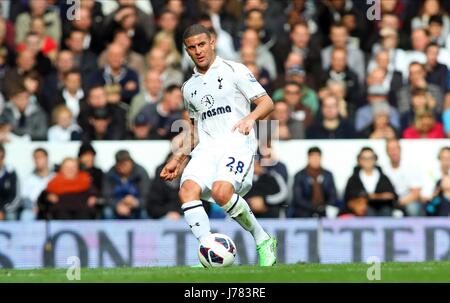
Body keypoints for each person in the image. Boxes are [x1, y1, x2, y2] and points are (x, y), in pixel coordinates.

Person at [160, 24, 277, 266]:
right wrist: (178, 159)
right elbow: (194, 130)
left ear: (212, 42)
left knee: (221, 192)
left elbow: (266, 103)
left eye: (202, 44)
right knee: (187, 190)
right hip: (207, 149)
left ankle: (262, 238)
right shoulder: (188, 88)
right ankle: (208, 251)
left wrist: (250, 118)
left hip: (237, 143)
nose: (198, 51)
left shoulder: (235, 70)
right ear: (187, 51)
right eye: (192, 48)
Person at [344, 147, 398, 217]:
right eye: (364, 158)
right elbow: (348, 198)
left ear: (375, 160)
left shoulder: (383, 178)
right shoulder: (353, 179)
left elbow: (391, 195)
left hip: (384, 209)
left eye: (370, 158)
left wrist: (374, 197)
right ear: (359, 160)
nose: (368, 161)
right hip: (362, 213)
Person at [291, 147, 338, 218]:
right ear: (308, 158)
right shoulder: (300, 175)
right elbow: (298, 198)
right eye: (313, 157)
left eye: (317, 157)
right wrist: (313, 208)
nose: (315, 160)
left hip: (324, 210)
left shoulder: (328, 175)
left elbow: (333, 195)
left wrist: (324, 207)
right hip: (305, 210)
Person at [103, 150, 151, 219]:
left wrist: (136, 202)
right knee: (107, 212)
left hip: (137, 206)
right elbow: (106, 196)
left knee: (144, 212)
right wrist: (117, 205)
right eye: (120, 165)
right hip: (117, 207)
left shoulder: (141, 173)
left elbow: (147, 196)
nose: (122, 168)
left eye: (125, 164)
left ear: (131, 162)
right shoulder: (110, 174)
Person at [384, 139, 424, 216]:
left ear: (400, 150)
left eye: (395, 148)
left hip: (408, 201)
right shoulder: (383, 169)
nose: (393, 152)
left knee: (413, 208)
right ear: (386, 152)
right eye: (390, 149)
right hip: (389, 202)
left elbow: (415, 193)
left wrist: (398, 203)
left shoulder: (411, 167)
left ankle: (416, 228)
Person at [20, 148, 54, 220]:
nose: (38, 160)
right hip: (32, 209)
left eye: (41, 157)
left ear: (47, 158)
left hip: (50, 208)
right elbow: (24, 198)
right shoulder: (28, 178)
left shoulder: (54, 177)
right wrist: (33, 207)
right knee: (26, 215)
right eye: (35, 158)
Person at [0, 144, 19, 220]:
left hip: (7, 210)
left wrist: (2, 210)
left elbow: (16, 197)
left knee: (11, 216)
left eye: (1, 157)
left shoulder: (11, 173)